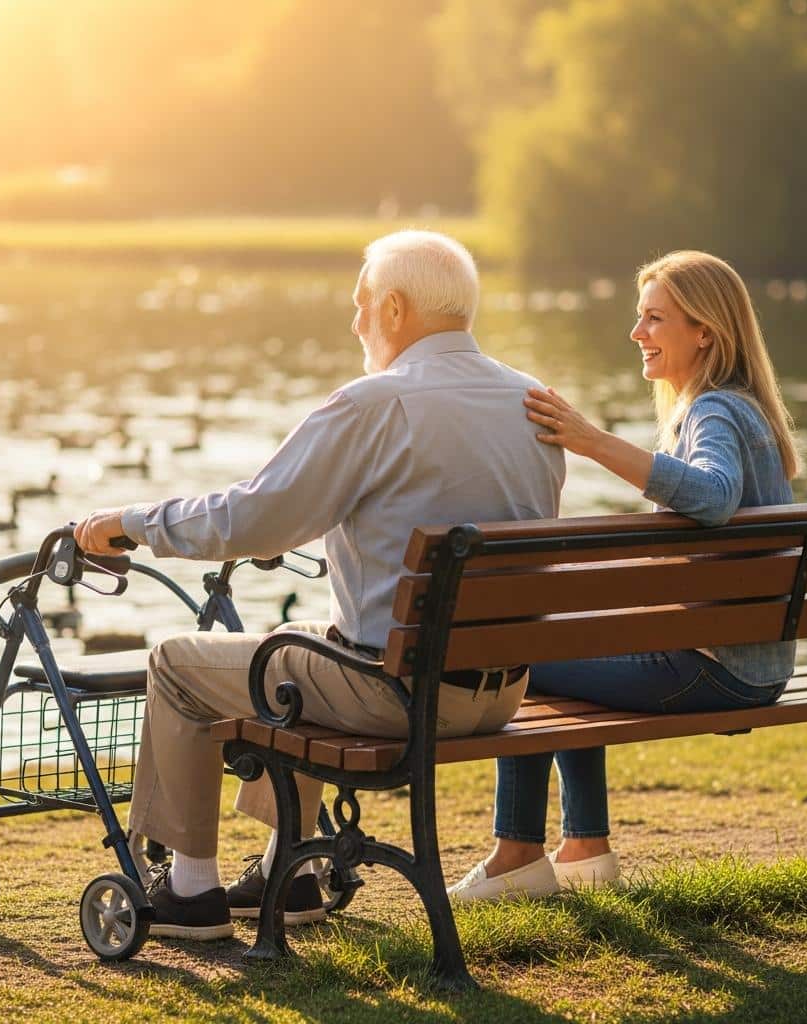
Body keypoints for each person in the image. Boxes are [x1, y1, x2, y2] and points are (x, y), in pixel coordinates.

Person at [75, 230, 565, 940]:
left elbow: (255, 517)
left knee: (176, 664)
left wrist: (132, 523)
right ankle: (291, 870)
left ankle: (190, 889)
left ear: (394, 309)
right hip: (498, 692)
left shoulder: (374, 404)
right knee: (296, 650)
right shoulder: (532, 401)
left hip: (395, 697)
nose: (355, 321)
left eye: (362, 304)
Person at [449, 249, 800, 903]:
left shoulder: (714, 412)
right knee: (562, 640)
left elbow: (716, 496)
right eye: (640, 318)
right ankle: (583, 847)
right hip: (762, 666)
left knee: (517, 661)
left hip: (714, 669)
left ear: (705, 332)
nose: (637, 334)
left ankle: (518, 856)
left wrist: (590, 440)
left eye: (654, 319)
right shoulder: (747, 411)